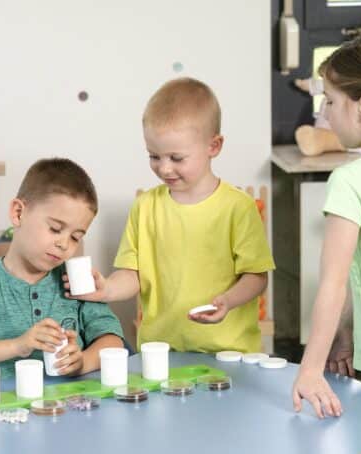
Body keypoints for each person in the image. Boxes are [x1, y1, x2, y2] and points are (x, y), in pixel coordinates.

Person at [64, 77, 274, 354]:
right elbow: (133, 273)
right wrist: (108, 289)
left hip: (229, 353)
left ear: (213, 146)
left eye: (176, 158)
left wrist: (229, 300)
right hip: (162, 352)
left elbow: (256, 277)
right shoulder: (145, 207)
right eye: (154, 156)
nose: (164, 168)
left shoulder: (239, 207)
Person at [0, 158, 124, 378]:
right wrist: (18, 346)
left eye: (75, 237)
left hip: (70, 399)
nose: (64, 244)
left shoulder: (76, 284)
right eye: (55, 228)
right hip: (0, 400)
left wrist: (83, 362)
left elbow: (113, 342)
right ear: (18, 213)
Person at [293, 36, 361, 418]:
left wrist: (310, 371)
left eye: (329, 101)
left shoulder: (351, 180)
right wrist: (346, 330)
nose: (324, 114)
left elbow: (334, 281)